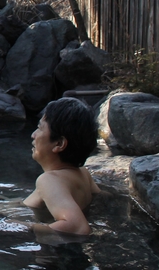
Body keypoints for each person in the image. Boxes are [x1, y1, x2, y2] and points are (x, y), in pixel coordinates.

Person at [22, 97, 101, 235]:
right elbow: (100, 197)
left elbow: (78, 227)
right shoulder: (83, 173)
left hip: (51, 251)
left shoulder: (49, 180)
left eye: (40, 128)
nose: (33, 135)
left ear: (59, 144)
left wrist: (18, 226)